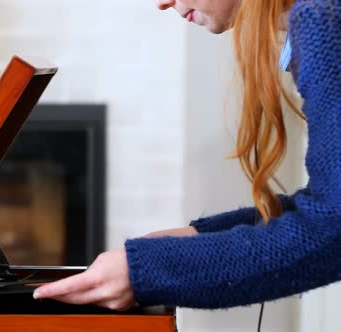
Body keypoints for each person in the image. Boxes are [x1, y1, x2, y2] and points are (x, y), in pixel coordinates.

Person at [33, 0, 341, 310]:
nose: (162, 3)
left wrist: (150, 269)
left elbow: (332, 232)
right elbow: (331, 205)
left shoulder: (323, 20)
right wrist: (196, 236)